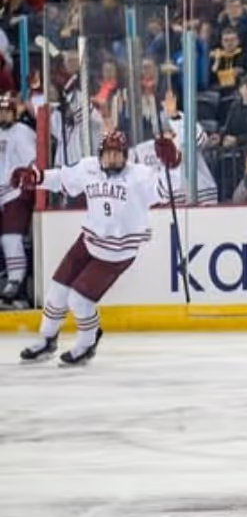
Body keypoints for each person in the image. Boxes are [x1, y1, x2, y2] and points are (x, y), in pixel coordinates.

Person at [14, 129, 177, 366]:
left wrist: (172, 164)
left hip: (118, 251)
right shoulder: (88, 167)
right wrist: (37, 177)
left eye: (117, 154)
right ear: (100, 154)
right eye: (108, 154)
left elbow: (165, 190)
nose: (112, 159)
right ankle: (47, 339)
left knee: (79, 300)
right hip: (89, 240)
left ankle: (87, 344)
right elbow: (62, 178)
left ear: (126, 155)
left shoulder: (140, 175)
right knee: (57, 292)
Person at [0, 93, 37, 306]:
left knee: (11, 238)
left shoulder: (22, 132)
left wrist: (24, 186)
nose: (3, 115)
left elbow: (32, 162)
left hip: (16, 193)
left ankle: (16, 282)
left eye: (6, 111)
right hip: (3, 195)